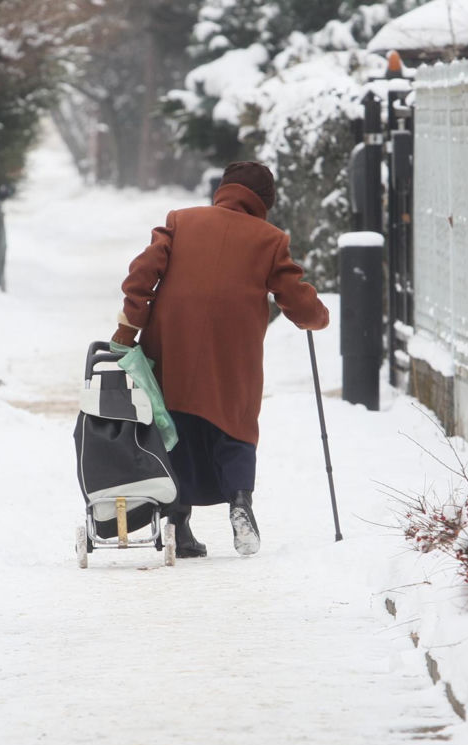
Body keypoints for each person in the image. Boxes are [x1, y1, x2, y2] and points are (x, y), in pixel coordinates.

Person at [111, 161, 329, 558]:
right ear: (265, 202)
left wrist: (128, 327)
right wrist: (316, 315)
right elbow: (294, 296)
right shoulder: (270, 238)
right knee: (235, 423)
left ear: (223, 189)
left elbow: (143, 272)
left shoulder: (181, 220)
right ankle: (240, 502)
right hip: (234, 348)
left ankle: (178, 523)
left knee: (173, 423)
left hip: (172, 340)